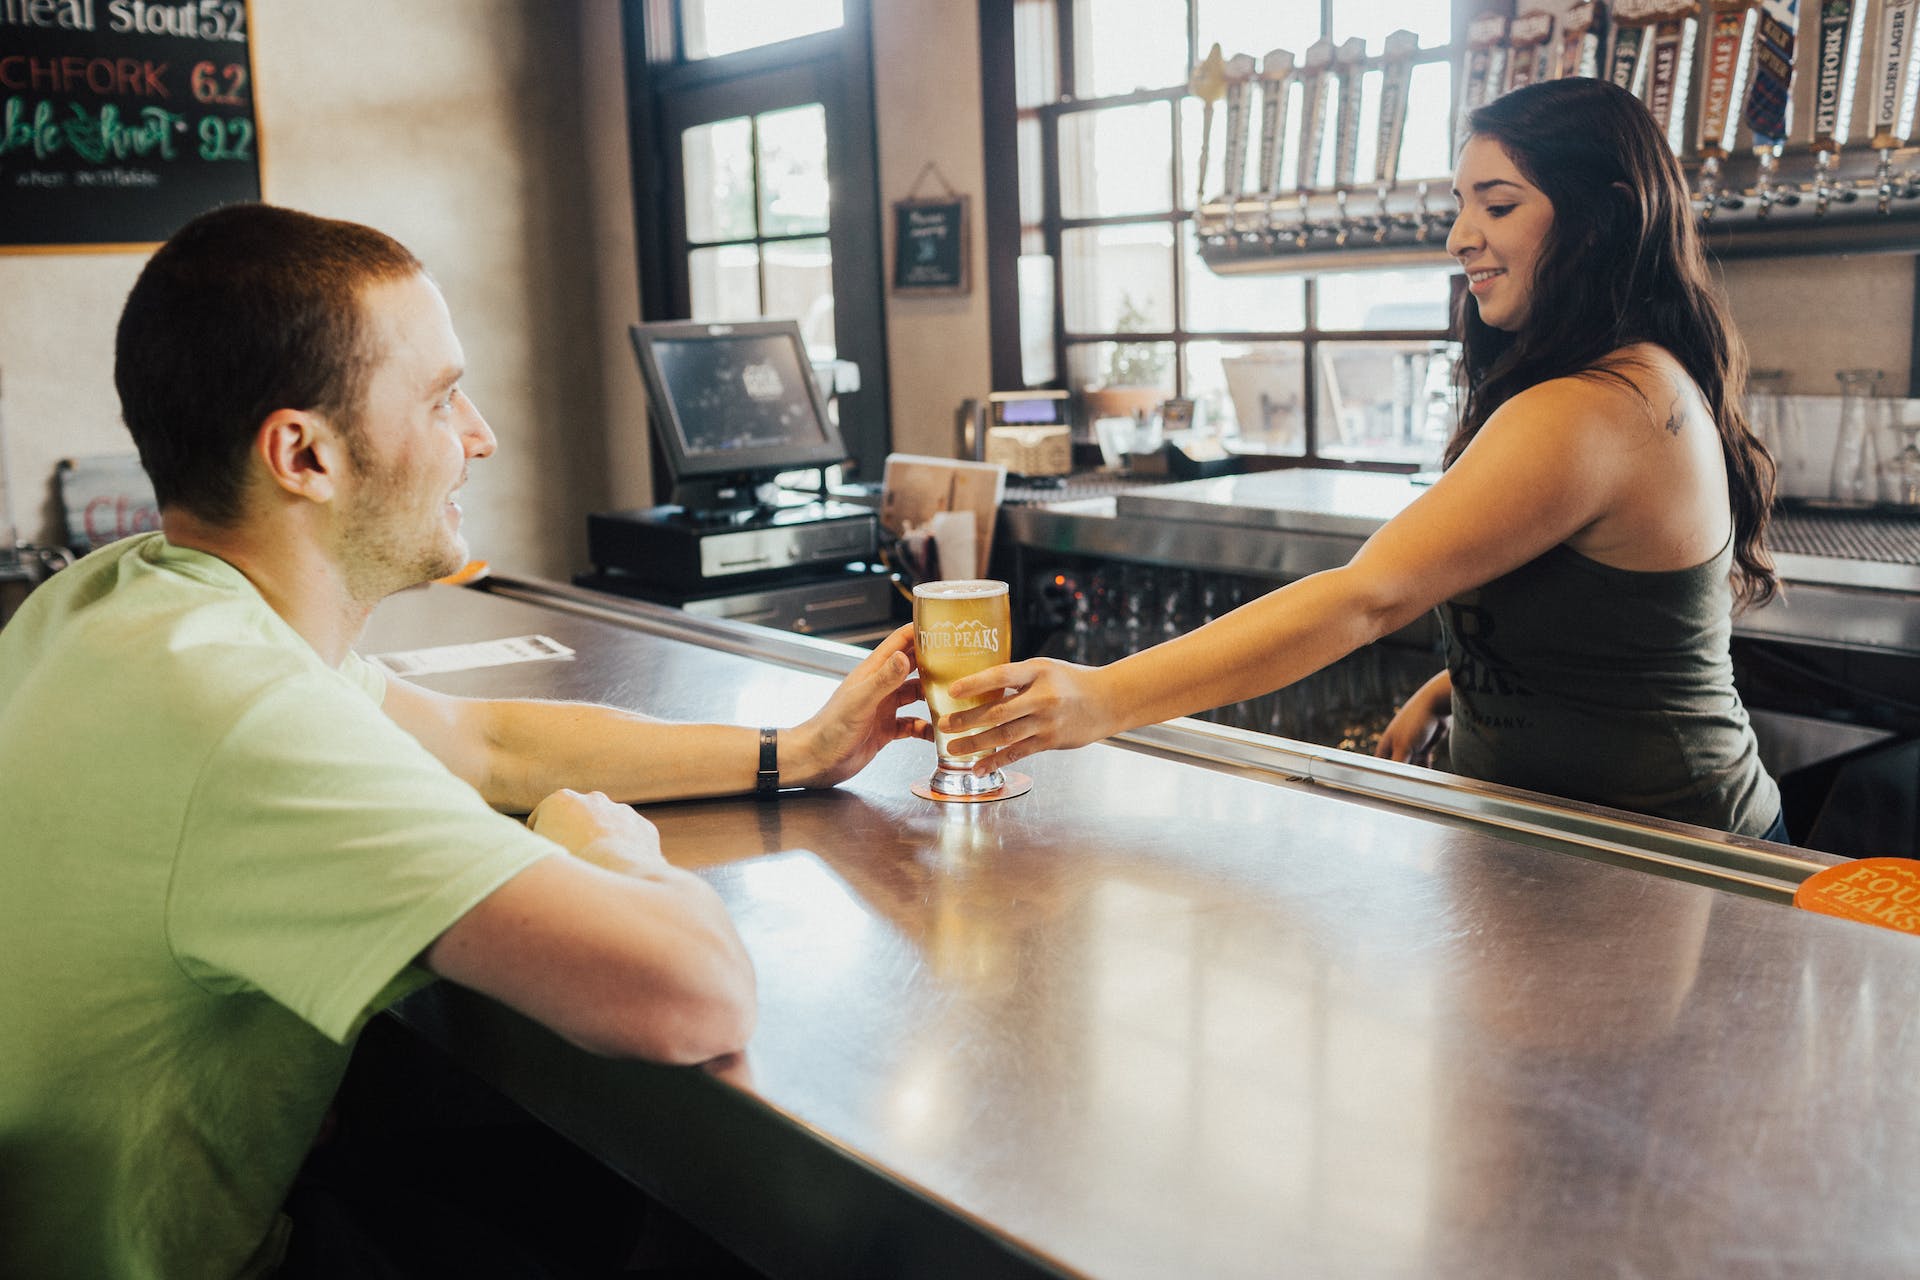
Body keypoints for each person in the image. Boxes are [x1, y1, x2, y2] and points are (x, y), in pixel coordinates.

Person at [0, 202, 928, 1280]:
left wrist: (795, 748)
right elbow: (692, 993)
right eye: (442, 399)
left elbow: (483, 743)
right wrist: (600, 846)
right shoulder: (246, 717)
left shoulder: (121, 601)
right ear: (303, 453)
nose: (478, 434)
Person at [942, 77, 1784, 842]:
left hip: (1676, 855)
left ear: (1600, 220)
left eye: (1499, 206)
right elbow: (1611, 638)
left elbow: (1367, 596)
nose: (1460, 236)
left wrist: (1103, 698)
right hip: (1575, 847)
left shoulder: (1596, 407)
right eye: (1462, 204)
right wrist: (1452, 690)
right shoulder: (1621, 382)